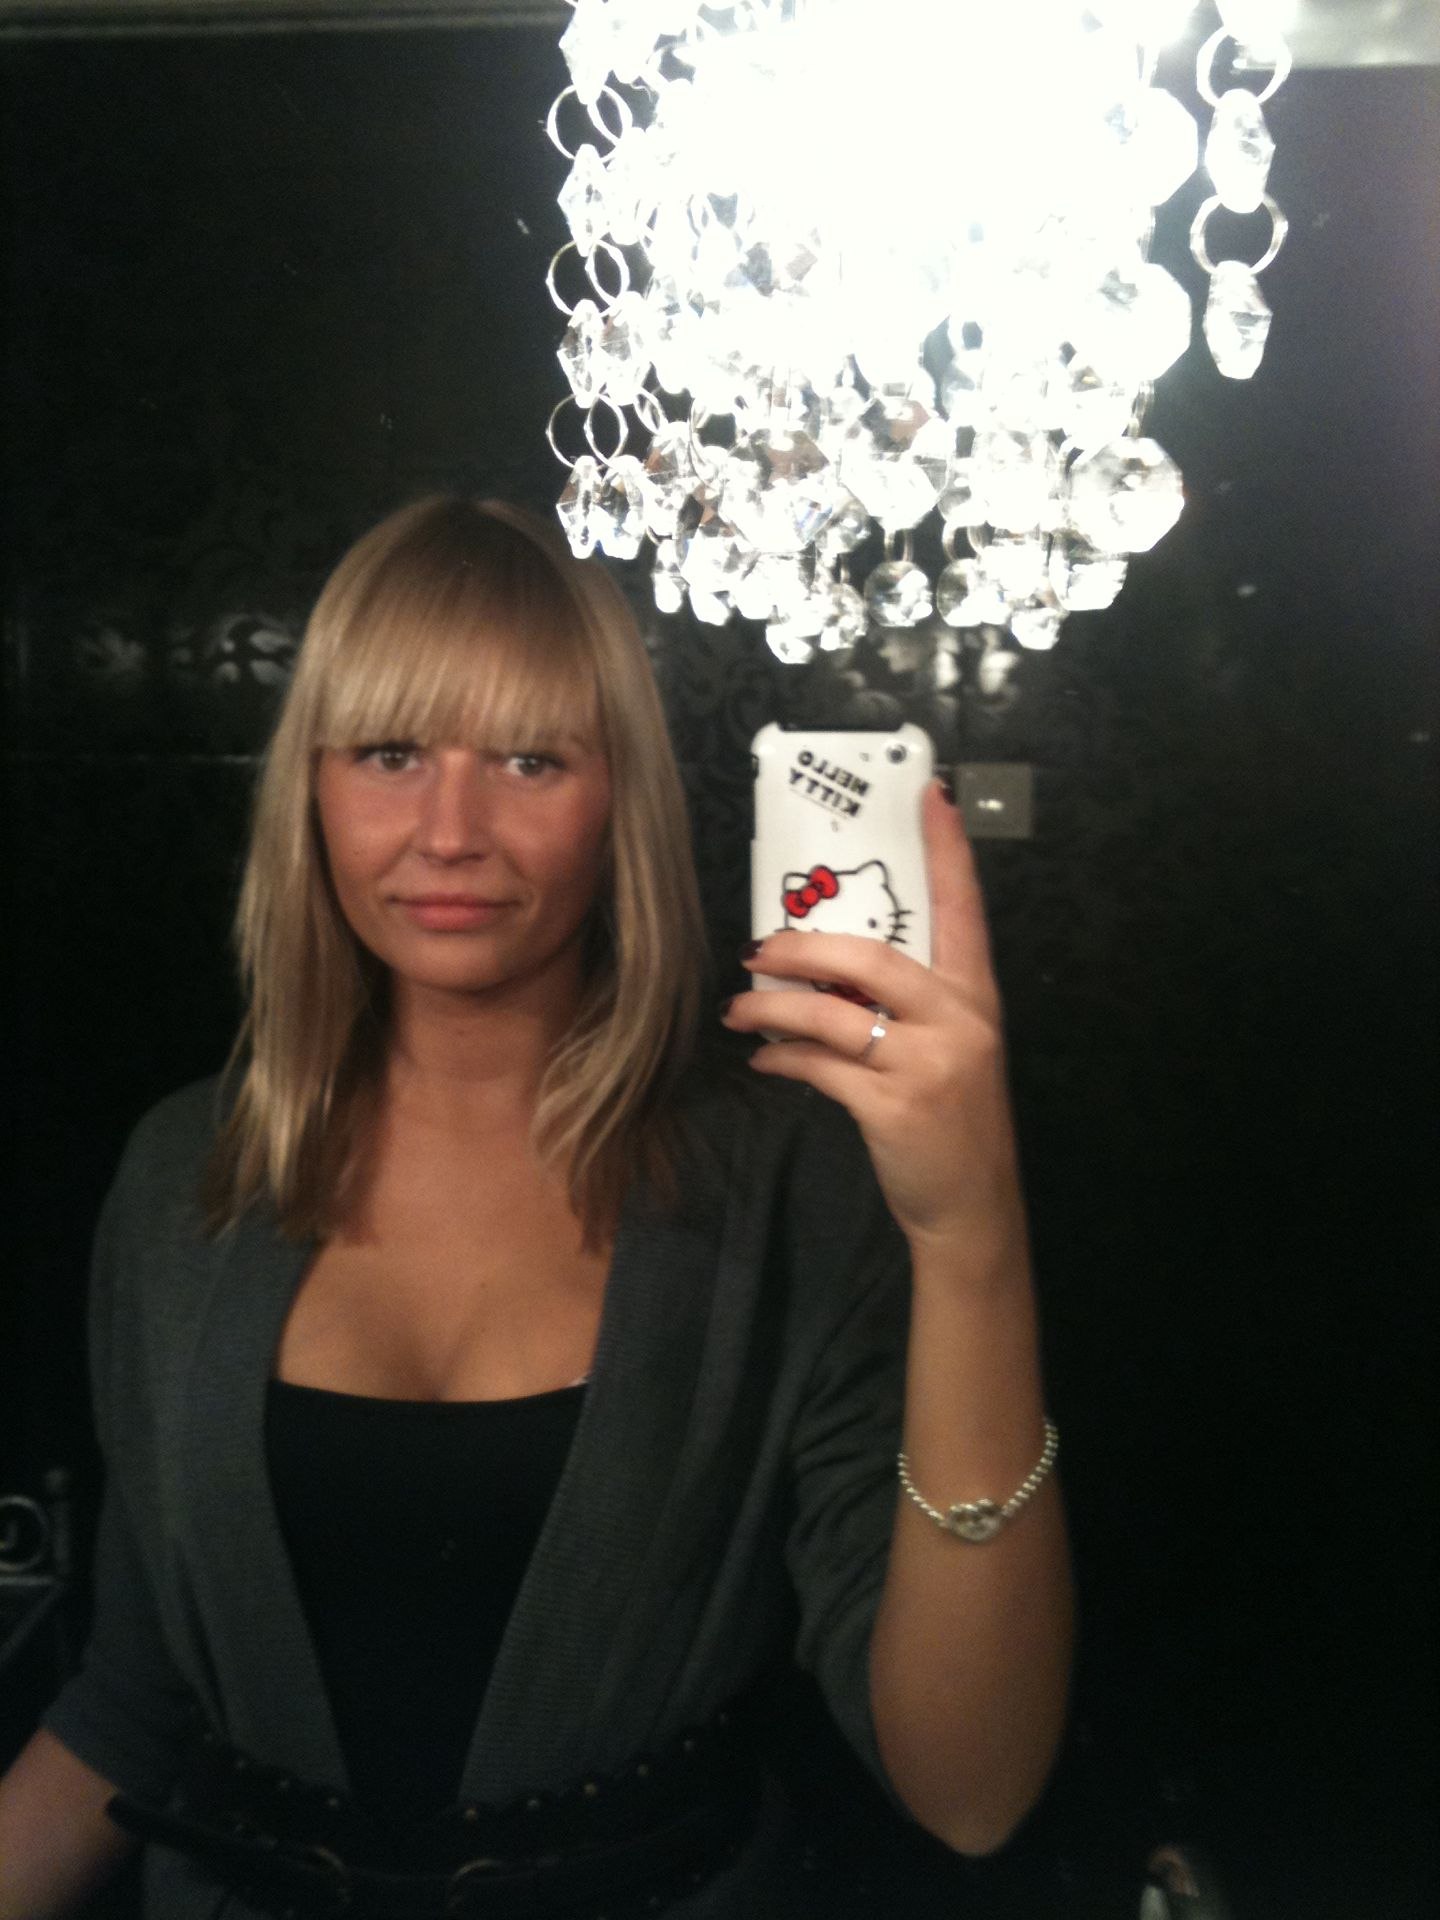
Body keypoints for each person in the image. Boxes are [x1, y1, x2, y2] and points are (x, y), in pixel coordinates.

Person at [0, 497, 1072, 1919]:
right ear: (310, 789)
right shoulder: (183, 1175)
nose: (450, 831)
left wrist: (972, 1235)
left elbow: (973, 1787)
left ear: (617, 797)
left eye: (528, 759)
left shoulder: (784, 1183)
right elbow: (134, 1701)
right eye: (390, 753)